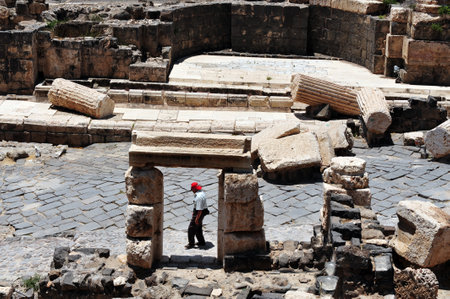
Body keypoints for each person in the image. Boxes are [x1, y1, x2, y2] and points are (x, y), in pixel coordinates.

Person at [185, 182, 209, 249]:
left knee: (191, 228)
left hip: (199, 212)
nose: (191, 190)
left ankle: (191, 243)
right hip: (202, 211)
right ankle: (201, 241)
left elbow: (200, 210)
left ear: (194, 189)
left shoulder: (198, 197)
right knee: (198, 227)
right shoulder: (201, 192)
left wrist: (197, 218)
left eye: (192, 189)